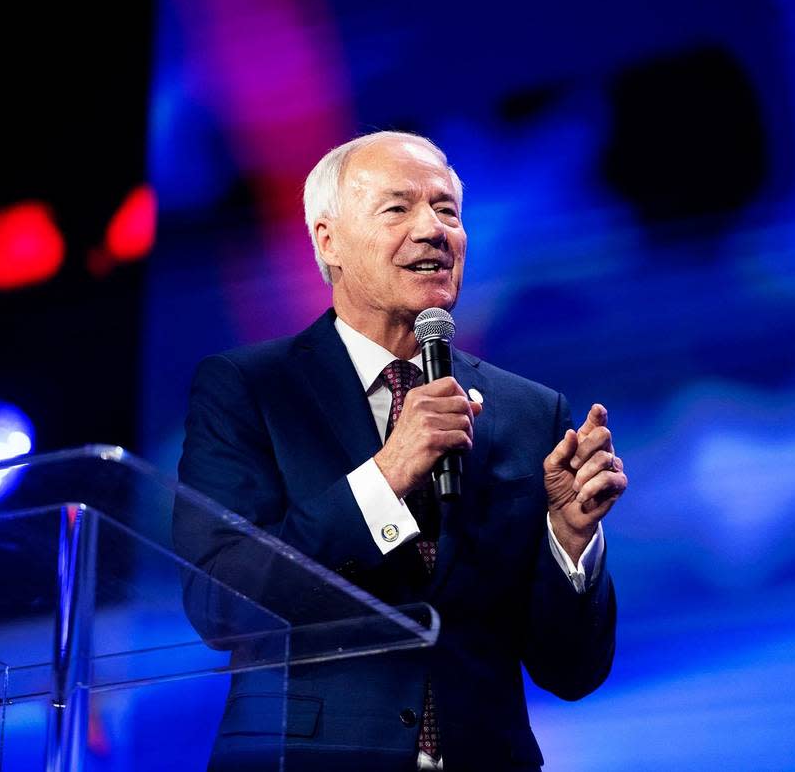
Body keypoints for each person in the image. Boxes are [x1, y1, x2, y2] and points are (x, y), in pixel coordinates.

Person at [176, 131, 625, 771]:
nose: (433, 230)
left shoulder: (531, 412)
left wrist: (570, 542)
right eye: (398, 209)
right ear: (328, 241)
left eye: (447, 210)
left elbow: (572, 672)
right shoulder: (249, 390)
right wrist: (385, 479)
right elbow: (220, 602)